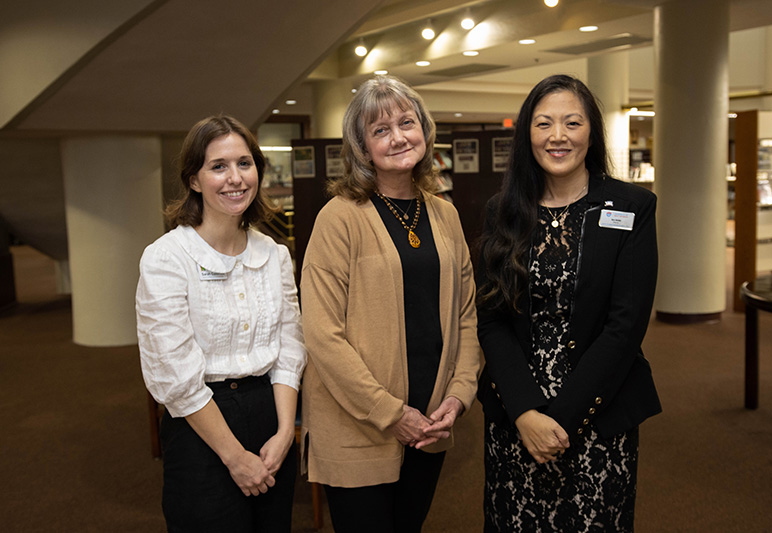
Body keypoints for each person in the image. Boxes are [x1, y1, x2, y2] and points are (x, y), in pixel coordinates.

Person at [476, 74, 662, 532]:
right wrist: (525, 413)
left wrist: (558, 421)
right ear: (527, 135)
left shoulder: (632, 207)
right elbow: (492, 319)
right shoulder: (503, 211)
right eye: (544, 124)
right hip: (517, 417)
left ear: (591, 132)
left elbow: (625, 326)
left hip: (598, 415)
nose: (558, 136)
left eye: (572, 122)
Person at [299, 75, 481, 532]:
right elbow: (322, 333)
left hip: (430, 420)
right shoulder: (339, 217)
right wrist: (390, 413)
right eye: (381, 130)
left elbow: (466, 316)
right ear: (362, 148)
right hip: (361, 422)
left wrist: (458, 396)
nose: (398, 136)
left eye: (407, 122)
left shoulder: (445, 213)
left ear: (425, 129)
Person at [136, 114, 306, 532]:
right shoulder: (166, 258)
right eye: (218, 166)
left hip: (271, 414)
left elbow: (290, 346)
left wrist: (286, 432)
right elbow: (175, 375)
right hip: (201, 424)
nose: (236, 178)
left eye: (245, 163)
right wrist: (234, 456)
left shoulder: (275, 254)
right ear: (194, 180)